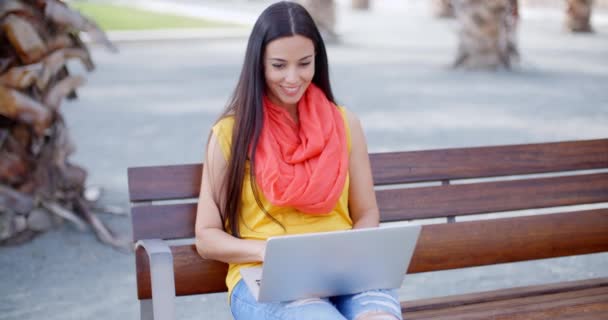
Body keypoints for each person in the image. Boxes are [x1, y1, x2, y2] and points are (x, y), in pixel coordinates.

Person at [195, 2, 402, 319]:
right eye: (278, 66)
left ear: (317, 61)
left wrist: (352, 254)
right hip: (265, 279)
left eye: (304, 63)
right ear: (259, 65)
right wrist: (268, 253)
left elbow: (366, 211)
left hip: (343, 273)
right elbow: (207, 237)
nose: (293, 78)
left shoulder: (345, 123)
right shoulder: (229, 133)